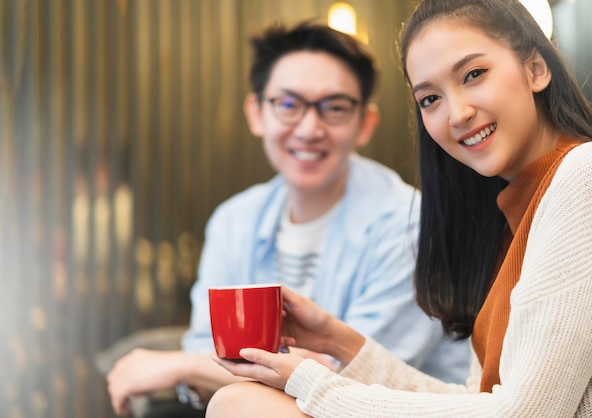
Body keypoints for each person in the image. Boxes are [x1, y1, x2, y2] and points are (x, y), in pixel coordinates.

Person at [204, 0, 592, 416]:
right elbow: (478, 403)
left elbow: (525, 413)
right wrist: (339, 342)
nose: (457, 113)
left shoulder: (590, 175)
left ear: (536, 69)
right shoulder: (510, 219)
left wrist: (311, 384)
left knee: (242, 404)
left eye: (474, 74)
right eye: (430, 99)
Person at [107, 21, 472, 417]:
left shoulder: (408, 224)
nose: (310, 129)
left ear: (364, 123)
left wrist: (181, 365)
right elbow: (206, 345)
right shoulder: (235, 221)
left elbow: (348, 379)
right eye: (288, 105)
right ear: (256, 113)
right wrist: (197, 364)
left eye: (334, 108)